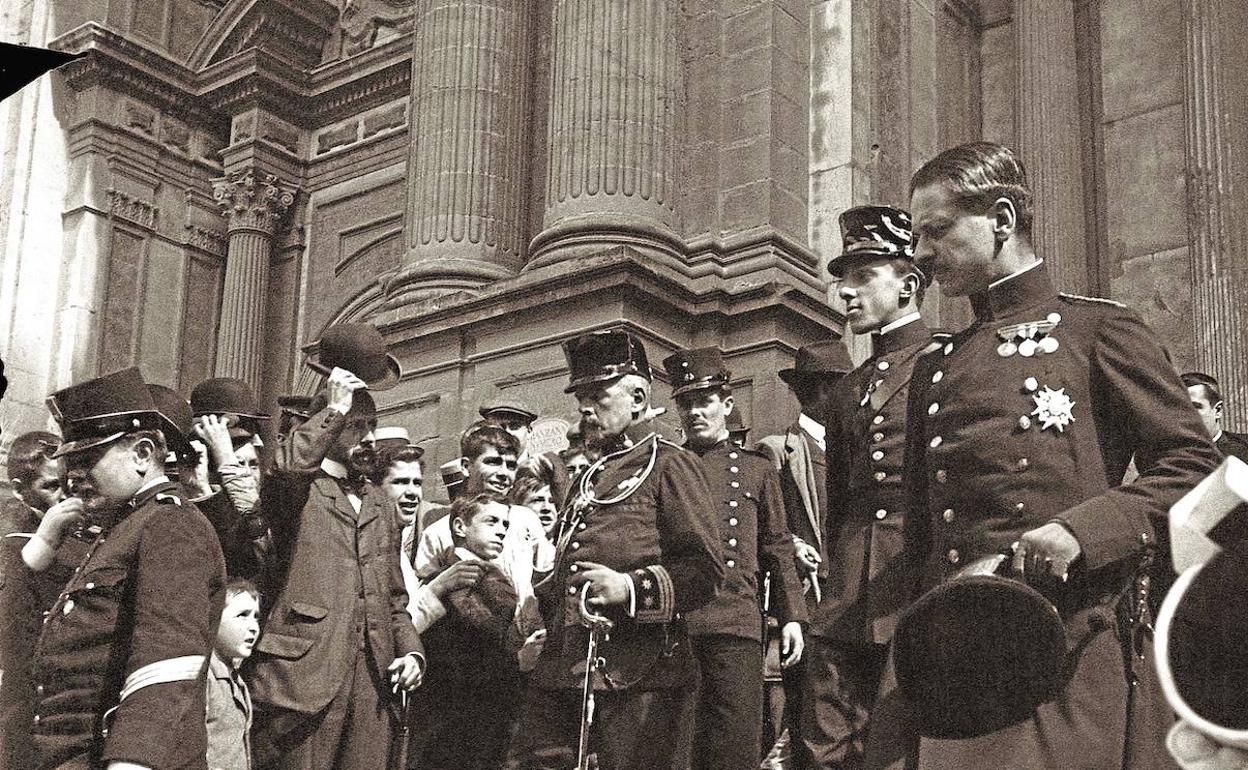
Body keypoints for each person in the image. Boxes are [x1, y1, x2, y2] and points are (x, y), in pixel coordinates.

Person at [875, 140, 1221, 770]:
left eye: (938, 231)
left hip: (1061, 640)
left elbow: (1193, 466)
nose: (920, 254)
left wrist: (1079, 531)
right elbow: (925, 537)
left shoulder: (1097, 331)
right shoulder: (936, 366)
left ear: (1002, 219)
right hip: (954, 651)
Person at [507, 329, 724, 770]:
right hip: (565, 668)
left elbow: (704, 572)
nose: (585, 410)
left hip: (640, 673)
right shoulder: (588, 478)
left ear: (639, 398)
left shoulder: (669, 464)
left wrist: (628, 587)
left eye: (598, 396)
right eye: (580, 398)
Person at [32, 366, 227, 770]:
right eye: (71, 461)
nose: (73, 477)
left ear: (142, 453)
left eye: (88, 458)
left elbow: (167, 663)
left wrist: (132, 761)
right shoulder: (126, 526)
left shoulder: (169, 524)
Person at [808, 205, 944, 770]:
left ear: (908, 283)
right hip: (848, 584)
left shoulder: (945, 363)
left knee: (901, 737)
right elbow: (840, 497)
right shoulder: (848, 391)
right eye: (843, 277)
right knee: (829, 733)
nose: (845, 291)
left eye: (864, 275)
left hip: (913, 572)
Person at [248, 362, 424, 770]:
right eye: (356, 426)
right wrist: (335, 407)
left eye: (373, 425)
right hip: (302, 686)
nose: (369, 438)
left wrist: (412, 653)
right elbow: (285, 468)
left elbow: (393, 597)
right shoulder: (299, 491)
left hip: (372, 687)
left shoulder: (380, 501)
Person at [663, 346, 807, 770]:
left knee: (733, 747)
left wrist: (792, 616)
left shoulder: (756, 469)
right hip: (677, 626)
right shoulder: (667, 466)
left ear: (726, 404)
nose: (695, 412)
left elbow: (777, 546)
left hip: (736, 626)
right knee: (676, 749)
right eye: (685, 402)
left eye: (704, 401)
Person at [756, 339, 855, 767]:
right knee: (806, 708)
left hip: (850, 591)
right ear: (816, 392)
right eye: (841, 388)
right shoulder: (778, 449)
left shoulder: (855, 446)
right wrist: (794, 545)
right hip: (806, 600)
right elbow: (765, 525)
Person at [407, 494, 544, 770]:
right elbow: (476, 643)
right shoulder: (456, 579)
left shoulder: (486, 575)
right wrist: (517, 661)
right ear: (460, 527)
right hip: (457, 716)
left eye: (505, 524)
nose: (502, 530)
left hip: (478, 713)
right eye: (491, 521)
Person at [0, 431, 76, 770]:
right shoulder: (10, 543)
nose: (64, 497)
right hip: (21, 703)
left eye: (67, 483)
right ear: (19, 489)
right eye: (51, 487)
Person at [415, 424, 550, 596]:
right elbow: (424, 597)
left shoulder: (526, 519)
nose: (503, 473)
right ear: (465, 466)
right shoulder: (438, 533)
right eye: (493, 462)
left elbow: (548, 576)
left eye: (510, 466)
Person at [207, 578, 261, 770]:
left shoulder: (234, 679)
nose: (253, 627)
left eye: (256, 617)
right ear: (212, 618)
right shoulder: (204, 679)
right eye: (243, 615)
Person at [1181, 372, 1248, 463]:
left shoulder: (1244, 450)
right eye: (1180, 407)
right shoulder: (1161, 454)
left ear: (1218, 410)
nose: (1185, 415)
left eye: (1195, 407)